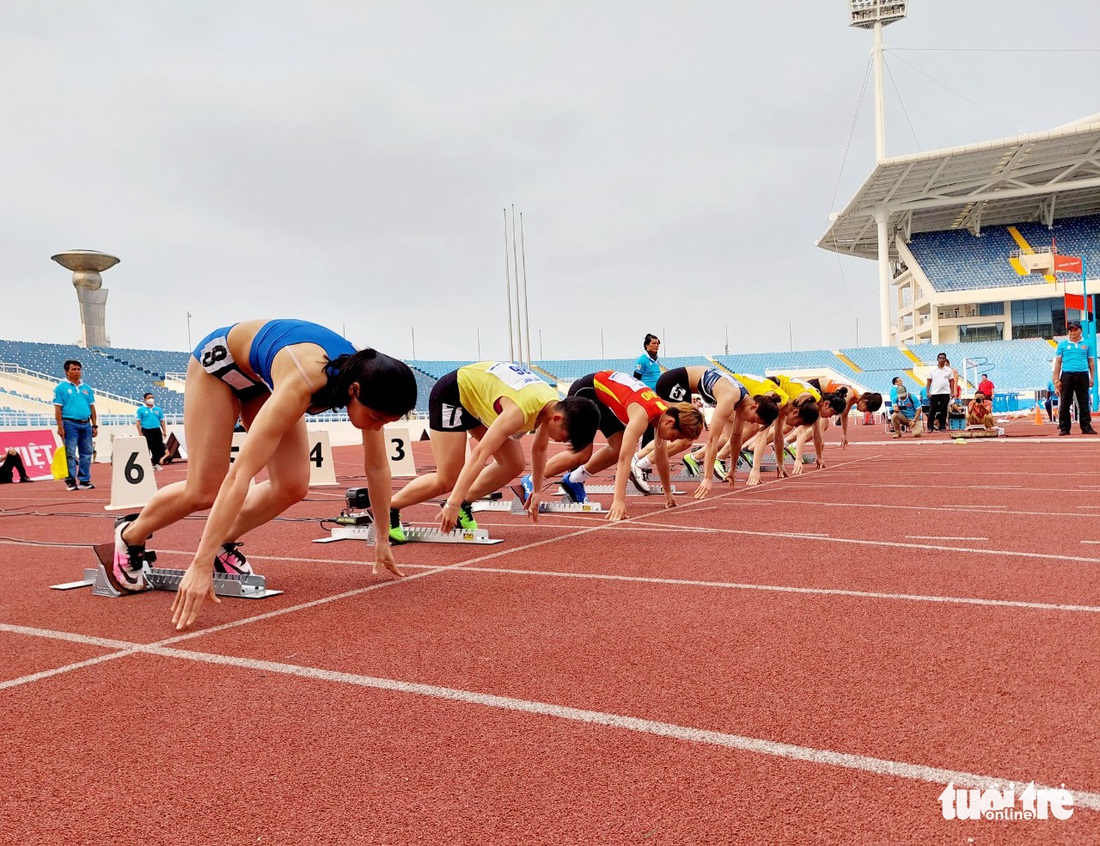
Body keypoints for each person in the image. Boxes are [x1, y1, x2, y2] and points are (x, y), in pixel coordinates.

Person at [107, 319, 417, 630]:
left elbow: (377, 467)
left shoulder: (369, 378)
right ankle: (130, 535)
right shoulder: (304, 381)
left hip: (262, 379)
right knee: (205, 490)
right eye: (375, 418)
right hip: (220, 368)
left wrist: (381, 538)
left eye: (384, 423)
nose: (376, 427)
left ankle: (222, 543)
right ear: (354, 390)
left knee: (292, 485)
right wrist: (198, 565)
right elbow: (240, 474)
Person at [388, 361, 600, 541]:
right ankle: (387, 510)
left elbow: (539, 448)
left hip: (478, 401)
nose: (563, 441)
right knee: (448, 479)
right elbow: (481, 453)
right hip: (453, 395)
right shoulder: (520, 411)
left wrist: (536, 491)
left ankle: (464, 505)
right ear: (558, 419)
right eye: (566, 436)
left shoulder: (552, 405)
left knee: (513, 463)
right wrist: (452, 501)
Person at [538, 371, 704, 522]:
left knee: (616, 447)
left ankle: (574, 480)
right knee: (582, 454)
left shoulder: (663, 413)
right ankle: (533, 480)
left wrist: (668, 493)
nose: (673, 441)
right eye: (675, 436)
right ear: (670, 422)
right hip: (587, 390)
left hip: (601, 397)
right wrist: (618, 500)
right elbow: (625, 459)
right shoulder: (642, 415)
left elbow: (661, 457)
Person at [629, 366, 779, 499]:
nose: (752, 423)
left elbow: (736, 438)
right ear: (754, 407)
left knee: (682, 436)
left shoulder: (742, 403)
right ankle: (639, 464)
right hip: (674, 382)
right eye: (754, 419)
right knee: (684, 436)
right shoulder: (729, 398)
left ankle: (637, 460)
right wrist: (707, 478)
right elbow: (712, 440)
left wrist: (732, 469)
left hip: (684, 386)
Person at [53, 359, 98, 491]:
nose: (77, 372)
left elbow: (92, 408)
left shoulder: (86, 388)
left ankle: (84, 480)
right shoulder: (60, 388)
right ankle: (70, 480)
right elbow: (58, 409)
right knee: (70, 453)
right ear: (67, 372)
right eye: (73, 369)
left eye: (79, 369)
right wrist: (60, 427)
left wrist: (94, 425)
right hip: (69, 423)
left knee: (87, 453)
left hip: (86, 423)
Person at [807, 377, 883, 447]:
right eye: (866, 410)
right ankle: (796, 446)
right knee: (820, 422)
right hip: (814, 387)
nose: (864, 412)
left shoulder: (853, 397)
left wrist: (844, 435)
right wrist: (820, 437)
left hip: (818, 390)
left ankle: (796, 444)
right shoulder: (849, 395)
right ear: (864, 402)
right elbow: (829, 410)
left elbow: (844, 416)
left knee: (817, 423)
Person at [1052, 319, 1097, 435]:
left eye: (1075, 330)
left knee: (1084, 402)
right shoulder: (1062, 345)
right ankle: (1064, 428)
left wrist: (1092, 378)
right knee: (1065, 402)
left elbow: (1091, 362)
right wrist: (1056, 380)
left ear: (1080, 331)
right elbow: (1058, 363)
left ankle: (1086, 427)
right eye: (1070, 330)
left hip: (1082, 375)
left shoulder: (1087, 344)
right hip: (1067, 375)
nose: (1072, 332)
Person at [136, 392, 169, 469]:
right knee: (146, 447)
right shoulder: (141, 410)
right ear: (145, 399)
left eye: (152, 398)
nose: (151, 399)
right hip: (146, 430)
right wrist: (140, 433)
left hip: (156, 430)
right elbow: (138, 421)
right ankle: (146, 465)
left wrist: (164, 431)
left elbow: (162, 421)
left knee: (157, 447)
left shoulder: (158, 409)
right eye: (149, 398)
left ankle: (156, 464)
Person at [926, 353, 955, 432]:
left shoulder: (949, 370)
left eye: (943, 358)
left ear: (945, 359)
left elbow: (952, 381)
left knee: (944, 410)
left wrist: (952, 392)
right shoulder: (932, 370)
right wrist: (928, 391)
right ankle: (930, 426)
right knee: (932, 410)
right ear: (937, 359)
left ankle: (942, 426)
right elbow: (929, 381)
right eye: (940, 358)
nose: (941, 359)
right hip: (935, 393)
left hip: (945, 392)